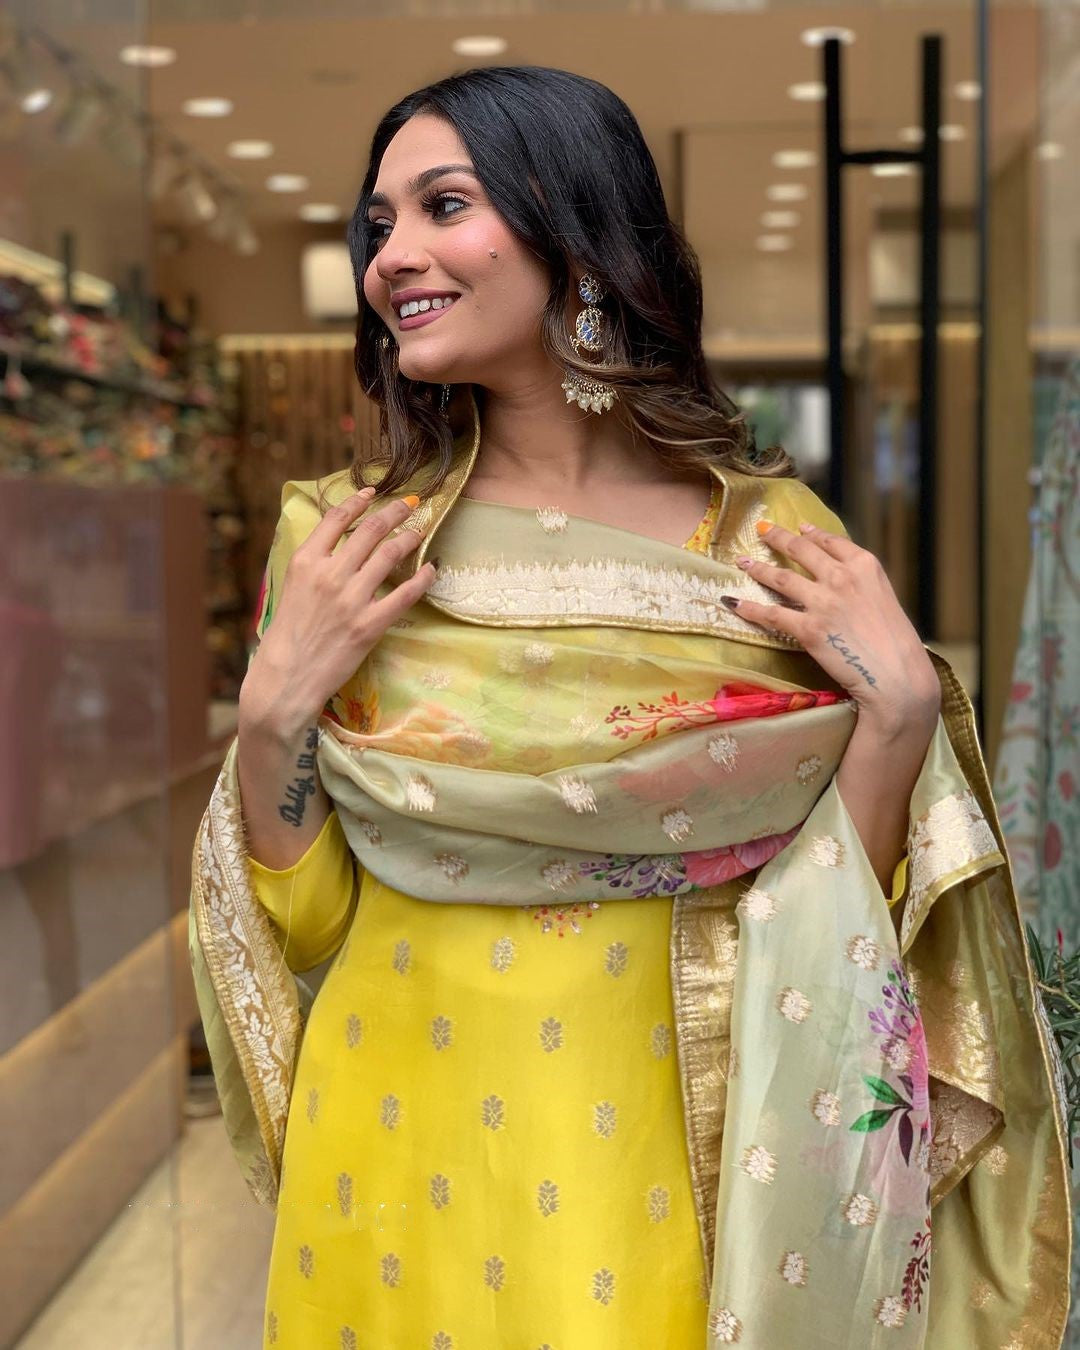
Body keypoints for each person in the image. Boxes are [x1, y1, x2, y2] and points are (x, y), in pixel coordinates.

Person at [189, 66, 1071, 1349]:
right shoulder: (347, 544)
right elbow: (315, 920)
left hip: (682, 1131)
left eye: (443, 205)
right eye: (378, 224)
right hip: (396, 1123)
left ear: (578, 233)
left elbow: (843, 917)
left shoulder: (769, 542)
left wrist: (898, 722)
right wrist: (271, 717)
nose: (394, 257)